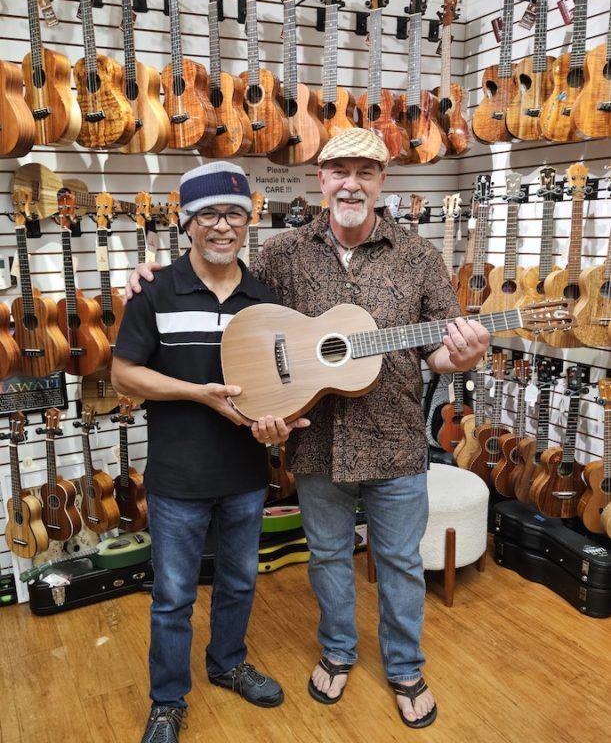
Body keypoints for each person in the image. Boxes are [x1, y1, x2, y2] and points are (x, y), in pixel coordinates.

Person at [127, 129, 490, 730]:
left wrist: (465, 356)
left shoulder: (420, 256)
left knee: (398, 560)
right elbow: (237, 310)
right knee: (326, 555)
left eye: (365, 172)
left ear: (381, 182)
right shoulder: (280, 253)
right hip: (314, 440)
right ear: (320, 179)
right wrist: (150, 277)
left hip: (395, 438)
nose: (351, 183)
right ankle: (339, 653)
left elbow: (437, 354)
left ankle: (404, 667)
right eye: (338, 171)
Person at [112, 161, 308, 743]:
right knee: (172, 597)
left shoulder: (262, 298)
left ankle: (227, 664)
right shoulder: (157, 290)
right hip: (177, 476)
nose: (223, 227)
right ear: (187, 222)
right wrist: (197, 394)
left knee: (240, 581)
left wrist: (279, 426)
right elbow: (124, 376)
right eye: (210, 215)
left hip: (245, 473)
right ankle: (168, 701)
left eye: (236, 214)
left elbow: (279, 388)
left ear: (250, 221)